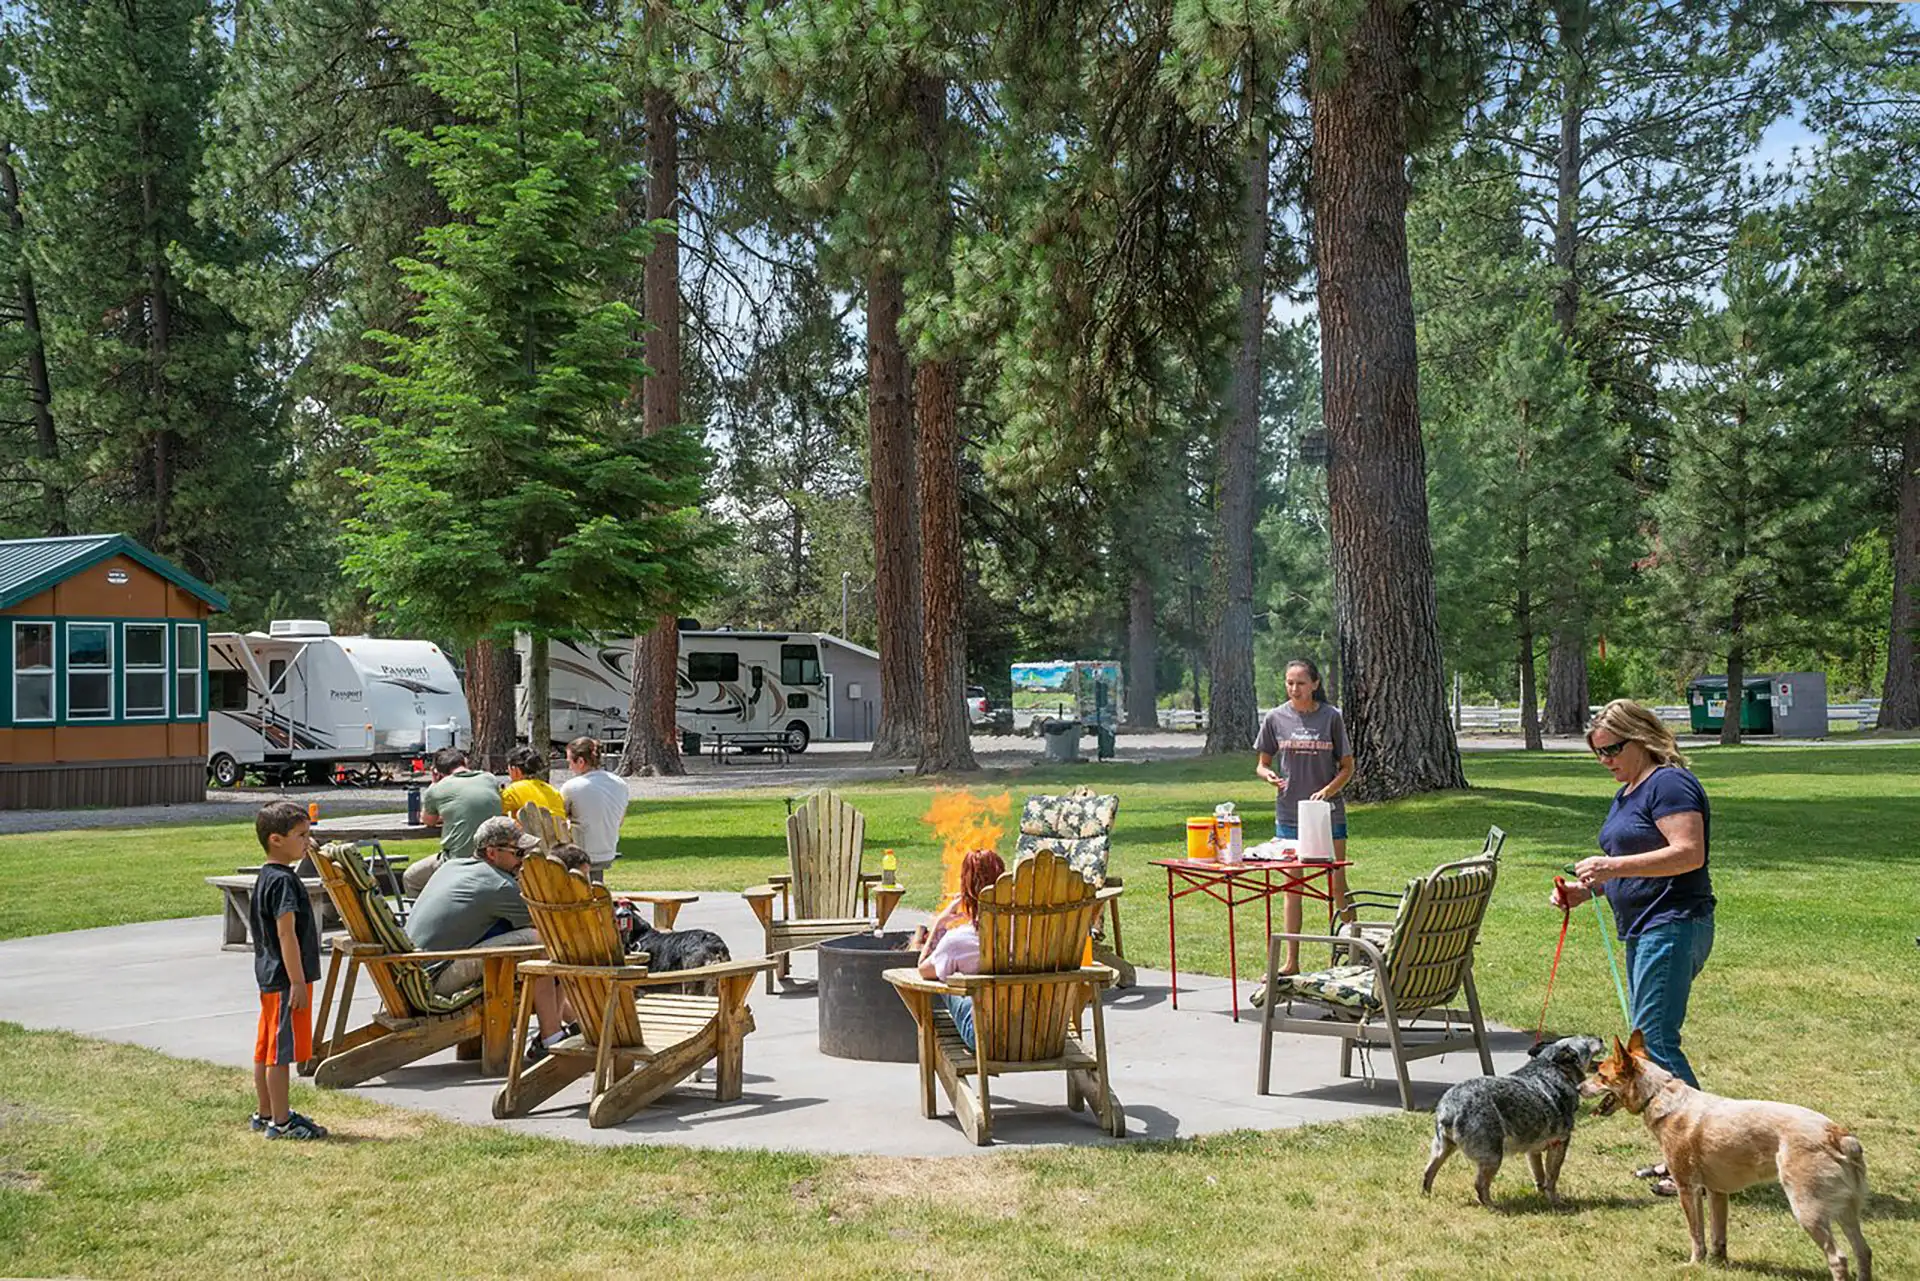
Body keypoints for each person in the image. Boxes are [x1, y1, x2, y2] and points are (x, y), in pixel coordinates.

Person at [1551, 698, 1715, 1198]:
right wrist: (1587, 890)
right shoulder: (1629, 790)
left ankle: (1701, 1161)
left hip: (1674, 922)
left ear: (1641, 737)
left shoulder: (1669, 783)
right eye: (1598, 754)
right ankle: (1682, 1156)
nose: (1606, 761)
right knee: (1652, 1040)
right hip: (1644, 925)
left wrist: (1611, 869)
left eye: (1613, 750)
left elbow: (1689, 853)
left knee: (1657, 1043)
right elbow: (1629, 860)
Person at [407, 815, 567, 1058]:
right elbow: (549, 923)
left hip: (416, 972)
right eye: (518, 853)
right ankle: (552, 1038)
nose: (522, 860)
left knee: (535, 942)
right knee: (541, 943)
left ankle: (568, 1024)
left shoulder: (452, 866)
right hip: (436, 979)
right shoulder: (498, 885)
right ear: (492, 853)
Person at [1253, 657, 1356, 974]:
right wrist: (1267, 775)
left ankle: (1357, 948)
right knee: (1291, 888)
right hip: (1289, 814)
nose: (1294, 688)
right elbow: (1262, 763)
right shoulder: (1275, 718)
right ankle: (1291, 962)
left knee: (1337, 884)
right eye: (1289, 682)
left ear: (1315, 684)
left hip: (1327, 815)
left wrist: (1328, 791)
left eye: (1300, 682)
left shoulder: (1331, 718)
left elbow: (1348, 767)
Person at [248, 801, 327, 1140]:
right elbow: (286, 933)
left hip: (269, 977)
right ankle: (281, 1122)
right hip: (285, 978)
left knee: (265, 1048)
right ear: (276, 839)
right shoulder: (283, 882)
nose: (307, 841)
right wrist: (297, 981)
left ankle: (265, 1112)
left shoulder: (266, 876)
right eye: (301, 835)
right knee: (279, 1054)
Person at [912, 849, 1007, 1052]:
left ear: (966, 892)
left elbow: (923, 969)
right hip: (1038, 1035)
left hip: (986, 1040)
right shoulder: (1031, 936)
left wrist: (939, 923)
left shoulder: (958, 941)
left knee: (946, 975)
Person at [403, 746, 503, 895]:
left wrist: (434, 783)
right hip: (494, 858)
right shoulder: (489, 779)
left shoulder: (437, 789)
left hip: (458, 860)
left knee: (411, 878)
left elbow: (428, 820)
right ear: (465, 761)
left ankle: (425, 915)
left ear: (437, 771)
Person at [559, 736, 627, 883]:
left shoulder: (572, 786)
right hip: (608, 851)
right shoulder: (620, 783)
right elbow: (620, 820)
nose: (569, 766)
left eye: (570, 761)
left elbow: (559, 818)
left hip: (581, 854)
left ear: (581, 762)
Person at [501, 746, 566, 822]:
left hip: (531, 833)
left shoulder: (513, 790)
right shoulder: (551, 789)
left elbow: (494, 811)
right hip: (559, 832)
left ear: (516, 770)